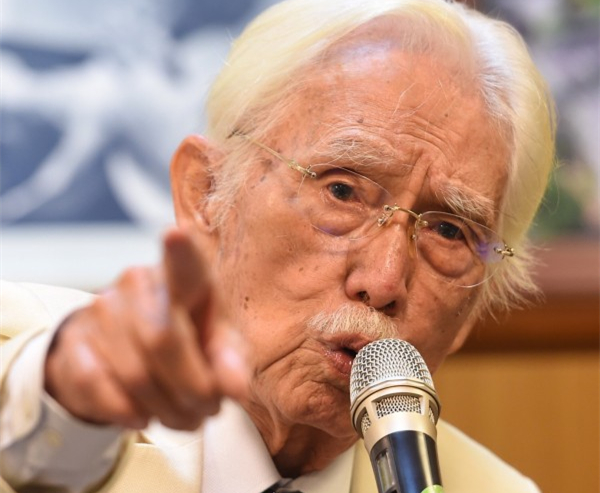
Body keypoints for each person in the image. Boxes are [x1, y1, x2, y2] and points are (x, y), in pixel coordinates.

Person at [0, 0, 556, 491]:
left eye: (449, 231)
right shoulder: (45, 369)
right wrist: (64, 404)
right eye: (342, 191)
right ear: (207, 193)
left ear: (471, 312)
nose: (384, 280)